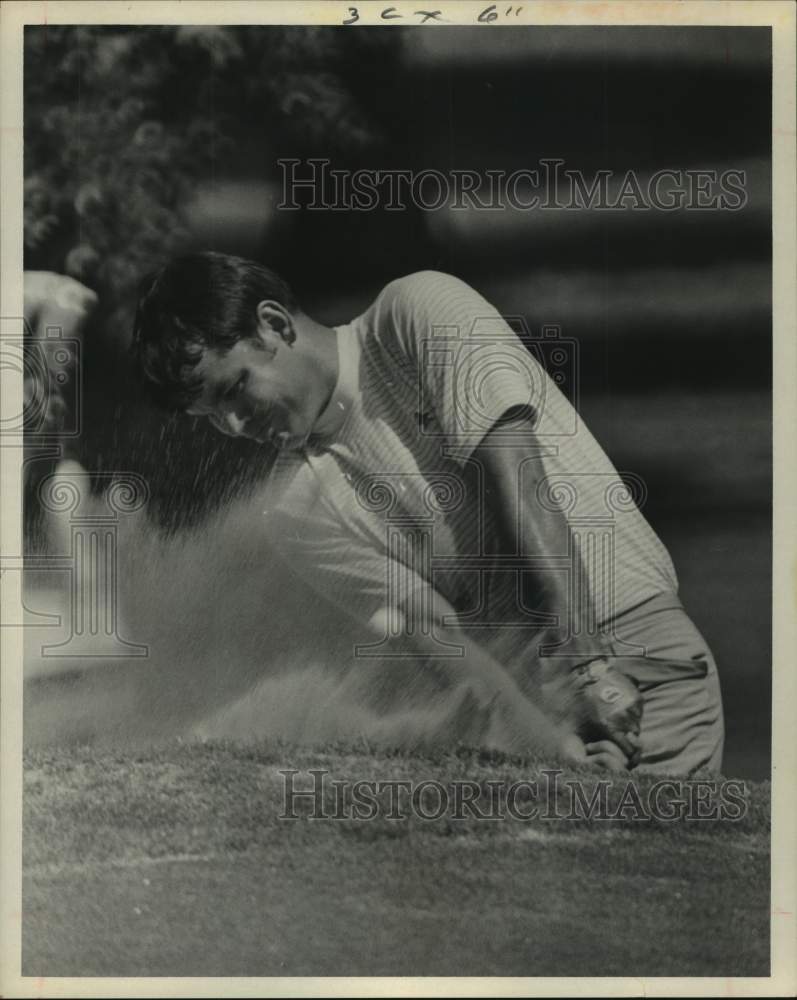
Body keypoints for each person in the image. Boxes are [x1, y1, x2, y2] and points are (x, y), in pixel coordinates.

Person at [131, 252, 724, 774]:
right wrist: (553, 751)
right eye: (210, 415)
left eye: (234, 390)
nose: (234, 427)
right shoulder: (296, 516)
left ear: (274, 324)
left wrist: (587, 668)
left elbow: (519, 476)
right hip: (540, 708)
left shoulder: (416, 313)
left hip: (626, 642)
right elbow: (441, 644)